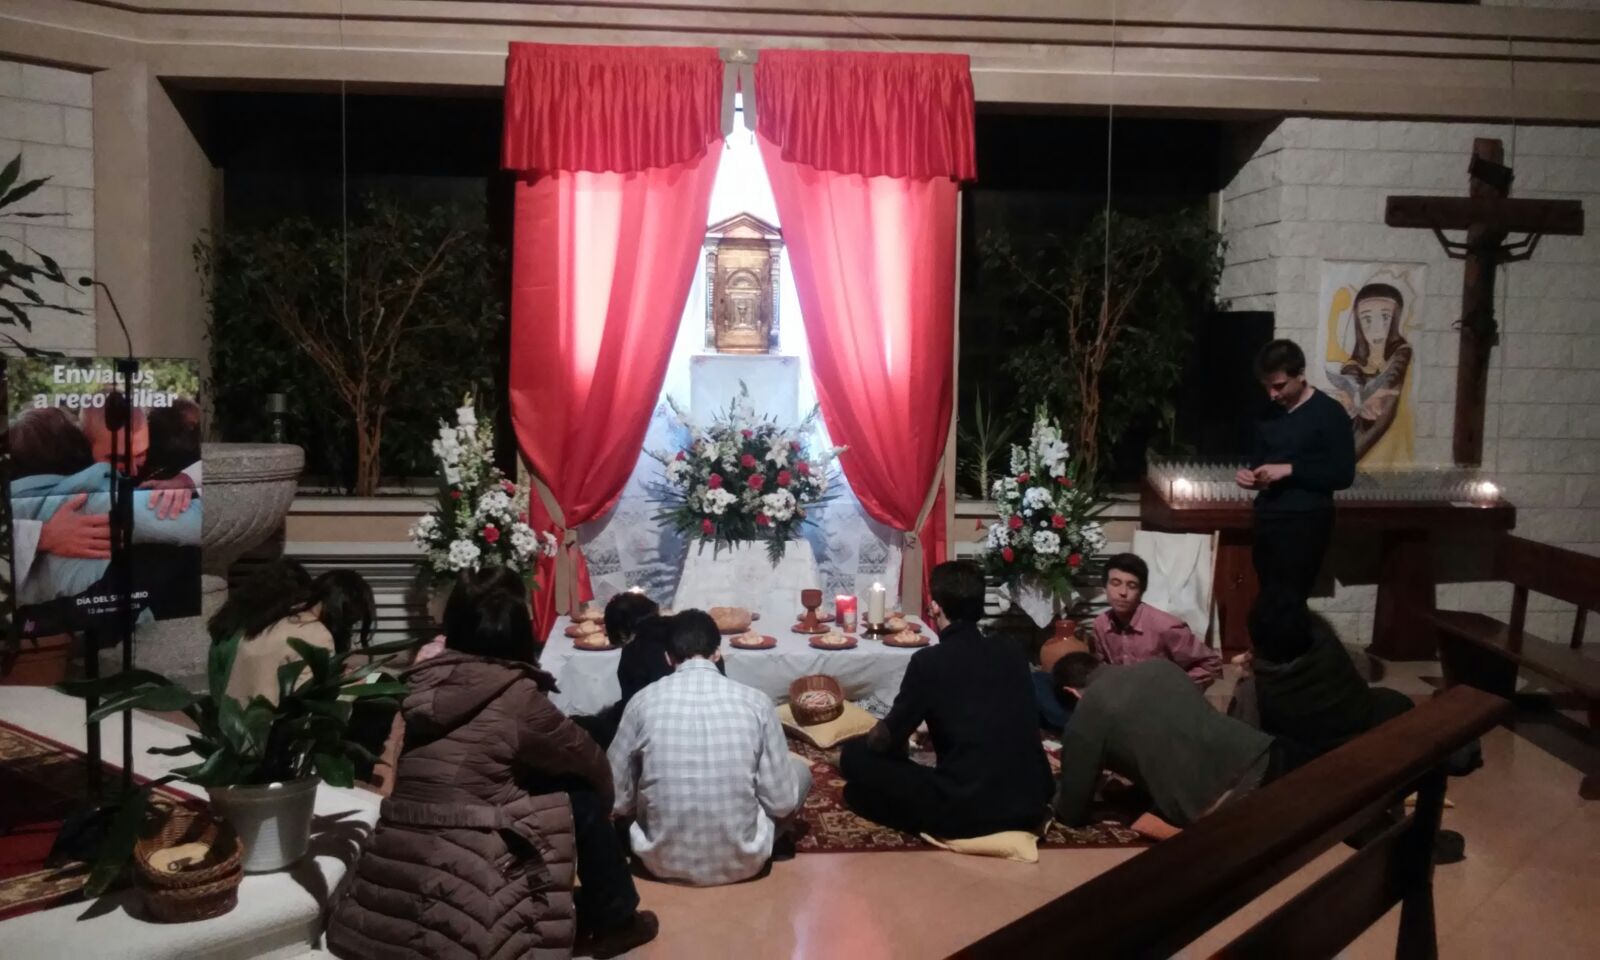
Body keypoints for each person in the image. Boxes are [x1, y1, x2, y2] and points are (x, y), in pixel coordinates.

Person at [327, 567, 658, 960]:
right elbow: (590, 762)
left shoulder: (420, 681)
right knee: (582, 798)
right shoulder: (517, 696)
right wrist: (607, 810)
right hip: (470, 875)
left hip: (395, 870)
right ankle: (615, 918)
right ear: (519, 633)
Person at [839, 561, 1054, 839]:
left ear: (936, 607)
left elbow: (886, 740)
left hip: (968, 810)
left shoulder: (929, 662)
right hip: (1030, 801)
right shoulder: (1012, 650)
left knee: (856, 766)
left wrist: (869, 743)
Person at [607, 609, 810, 886]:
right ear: (717, 653)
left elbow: (616, 798)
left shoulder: (642, 702)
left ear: (668, 657)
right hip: (745, 861)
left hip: (658, 861)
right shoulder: (757, 702)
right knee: (800, 772)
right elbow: (783, 801)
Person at [1052, 653, 1280, 840]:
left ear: (1071, 693)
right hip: (1263, 754)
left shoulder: (1089, 710)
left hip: (1222, 798)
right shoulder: (1160, 666)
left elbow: (1071, 810)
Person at [1235, 339, 1356, 606]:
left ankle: (1289, 648)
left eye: (1278, 386)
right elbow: (1259, 464)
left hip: (1307, 520)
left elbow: (1343, 474)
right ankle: (1265, 648)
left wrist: (1290, 470)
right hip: (1268, 517)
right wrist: (1250, 478)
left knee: (1291, 599)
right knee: (1267, 594)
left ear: (1300, 375)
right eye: (1266, 387)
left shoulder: (1329, 414)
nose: (1272, 395)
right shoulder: (1267, 414)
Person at [210, 560, 377, 704]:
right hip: (271, 734)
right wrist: (354, 686)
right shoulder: (315, 634)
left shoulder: (270, 622)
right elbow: (310, 704)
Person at [1090, 553, 1222, 689]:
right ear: (1104, 588)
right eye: (1115, 583)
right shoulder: (1101, 624)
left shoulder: (1165, 626)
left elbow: (1211, 664)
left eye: (1132, 585)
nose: (1123, 592)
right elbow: (1102, 668)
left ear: (1141, 592)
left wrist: (1174, 689)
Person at [1326, 283, 1414, 462]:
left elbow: (1393, 375)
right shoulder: (1353, 365)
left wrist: (1378, 394)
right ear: (1358, 321)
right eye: (1367, 319)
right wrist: (1350, 405)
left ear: (1396, 319)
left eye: (1385, 317)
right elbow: (1351, 381)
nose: (1376, 328)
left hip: (1393, 451)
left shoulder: (1402, 353)